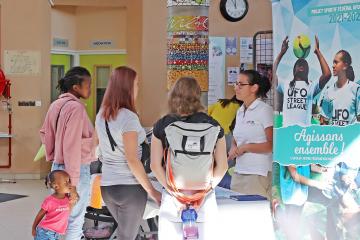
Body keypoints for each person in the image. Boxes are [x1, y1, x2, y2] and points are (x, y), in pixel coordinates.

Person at [150, 77, 228, 240]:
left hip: (173, 198)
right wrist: (206, 189)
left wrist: (172, 190)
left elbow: (155, 166)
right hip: (204, 197)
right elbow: (223, 166)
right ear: (198, 96)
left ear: (173, 95)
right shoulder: (214, 125)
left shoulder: (163, 124)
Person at [94, 66, 161, 240]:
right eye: (136, 84)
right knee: (127, 237)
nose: (138, 88)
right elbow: (132, 160)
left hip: (108, 188)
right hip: (129, 188)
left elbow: (98, 151)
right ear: (128, 88)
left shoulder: (101, 115)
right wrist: (152, 191)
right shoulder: (128, 118)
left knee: (125, 234)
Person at [40, 66, 96, 240]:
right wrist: (73, 186)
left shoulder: (55, 105)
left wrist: (54, 158)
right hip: (74, 170)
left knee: (58, 217)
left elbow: (45, 133)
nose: (90, 89)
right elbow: (72, 147)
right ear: (76, 87)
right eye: (87, 85)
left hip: (57, 168)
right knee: (75, 221)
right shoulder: (76, 109)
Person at [228, 70, 273, 199]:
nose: (236, 87)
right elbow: (237, 138)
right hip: (239, 171)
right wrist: (233, 147)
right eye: (236, 84)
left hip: (258, 173)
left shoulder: (265, 110)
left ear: (254, 87)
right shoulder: (240, 111)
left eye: (241, 84)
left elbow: (271, 145)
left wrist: (246, 148)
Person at [32, 170, 74, 240]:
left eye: (69, 181)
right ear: (56, 186)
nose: (69, 184)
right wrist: (33, 228)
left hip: (56, 233)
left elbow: (75, 200)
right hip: (45, 232)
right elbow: (40, 214)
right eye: (66, 182)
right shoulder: (49, 201)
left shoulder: (68, 199)